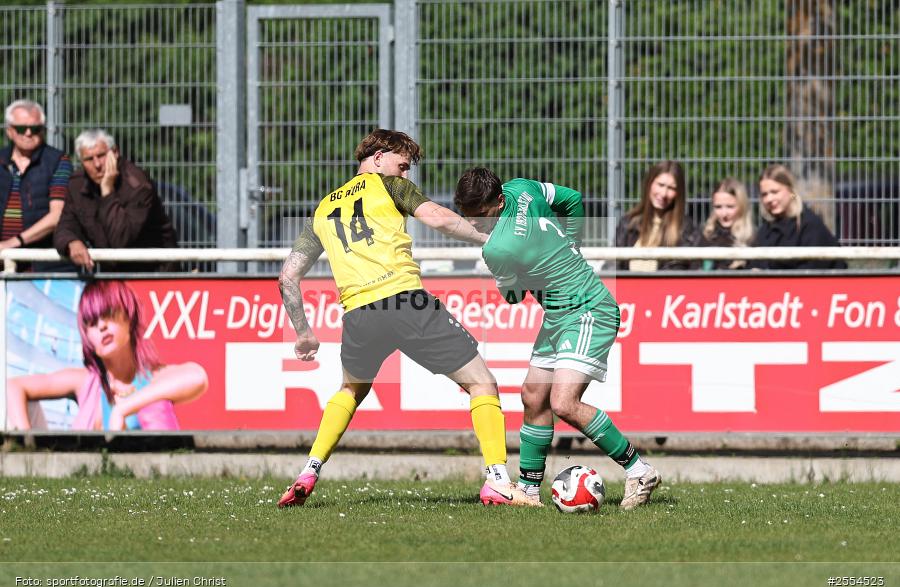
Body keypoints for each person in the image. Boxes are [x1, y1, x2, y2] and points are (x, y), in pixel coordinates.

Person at [277, 129, 530, 508]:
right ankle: (497, 479)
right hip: (404, 301)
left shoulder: (324, 208)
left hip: (359, 315)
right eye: (402, 164)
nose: (405, 174)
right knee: (482, 384)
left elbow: (287, 276)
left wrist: (303, 333)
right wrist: (493, 240)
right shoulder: (388, 186)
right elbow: (439, 218)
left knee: (350, 391)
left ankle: (309, 471)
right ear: (377, 158)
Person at [455, 167, 662, 510]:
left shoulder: (498, 248)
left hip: (587, 309)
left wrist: (501, 275)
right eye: (468, 215)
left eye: (481, 216)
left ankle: (639, 470)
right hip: (559, 314)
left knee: (564, 403)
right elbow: (572, 200)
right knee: (534, 396)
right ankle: (530, 491)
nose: (474, 222)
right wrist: (572, 244)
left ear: (498, 200)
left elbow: (513, 298)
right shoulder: (521, 187)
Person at [6, 280, 208, 431]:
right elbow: (13, 386)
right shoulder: (85, 380)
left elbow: (197, 377)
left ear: (129, 318)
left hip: (148, 476)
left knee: (155, 405)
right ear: (88, 339)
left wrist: (123, 409)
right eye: (93, 323)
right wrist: (28, 444)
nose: (102, 326)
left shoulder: (153, 377)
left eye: (109, 315)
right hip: (89, 478)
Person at [53, 129, 177, 272]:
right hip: (112, 275)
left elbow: (120, 240)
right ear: (81, 162)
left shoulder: (137, 185)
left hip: (154, 274)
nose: (97, 164)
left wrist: (107, 190)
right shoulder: (77, 184)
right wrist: (71, 242)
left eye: (101, 155)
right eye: (89, 159)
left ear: (115, 152)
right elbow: (64, 226)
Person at [0, 99, 73, 271]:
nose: (28, 133)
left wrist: (13, 243)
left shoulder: (58, 161)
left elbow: (56, 216)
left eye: (35, 129)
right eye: (20, 128)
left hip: (41, 264)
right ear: (9, 131)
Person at [750, 164, 847, 270]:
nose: (769, 199)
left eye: (775, 192)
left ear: (791, 191)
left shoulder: (810, 225)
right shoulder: (766, 230)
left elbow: (813, 269)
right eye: (764, 194)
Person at [614, 160, 699, 271]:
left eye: (671, 188)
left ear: (678, 193)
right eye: (660, 185)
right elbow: (612, 265)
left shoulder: (685, 228)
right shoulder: (628, 223)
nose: (663, 193)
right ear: (650, 184)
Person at [698, 177, 754, 270]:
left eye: (730, 207)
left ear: (742, 206)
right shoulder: (705, 236)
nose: (724, 214)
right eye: (718, 207)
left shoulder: (751, 239)